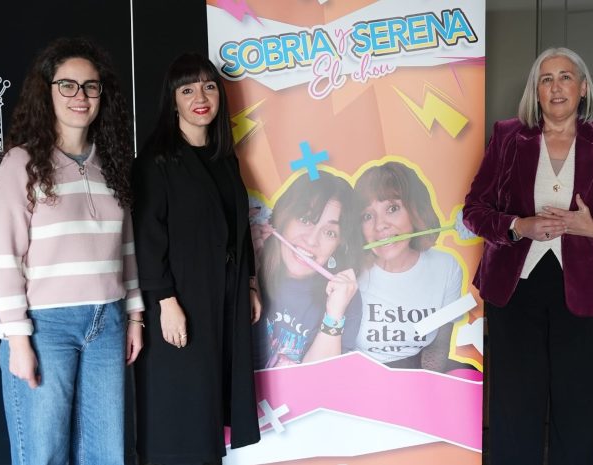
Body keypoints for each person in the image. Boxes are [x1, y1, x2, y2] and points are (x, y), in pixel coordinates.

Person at [463, 47, 593, 465]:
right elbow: (474, 210)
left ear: (583, 88)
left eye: (565, 77)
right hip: (514, 290)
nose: (556, 87)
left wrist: (591, 228)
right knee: (514, 405)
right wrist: (519, 226)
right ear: (536, 91)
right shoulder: (508, 136)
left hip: (585, 292)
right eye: (546, 79)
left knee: (576, 407)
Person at [0, 37, 143, 465]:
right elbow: (2, 258)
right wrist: (17, 339)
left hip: (108, 323)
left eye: (91, 86)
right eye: (67, 85)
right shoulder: (21, 163)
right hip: (45, 327)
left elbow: (126, 249)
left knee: (107, 455)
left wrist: (135, 316)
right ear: (47, 91)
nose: (80, 96)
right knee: (44, 455)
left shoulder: (112, 164)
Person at [132, 53, 261, 465]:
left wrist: (250, 283)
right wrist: (165, 301)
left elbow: (239, 226)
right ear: (173, 101)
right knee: (180, 408)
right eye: (187, 90)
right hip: (180, 301)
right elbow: (146, 237)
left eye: (208, 87)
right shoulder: (156, 161)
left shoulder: (225, 158)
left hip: (224, 297)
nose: (200, 98)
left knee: (209, 404)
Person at [353, 161, 464, 370]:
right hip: (360, 376)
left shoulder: (447, 267)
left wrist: (422, 385)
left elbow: (439, 346)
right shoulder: (351, 271)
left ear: (415, 211)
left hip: (416, 375)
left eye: (392, 208)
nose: (380, 225)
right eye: (367, 216)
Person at [252, 171, 362, 369]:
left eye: (329, 232)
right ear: (283, 218)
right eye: (305, 219)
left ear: (339, 245)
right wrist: (251, 271)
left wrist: (334, 315)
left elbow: (319, 380)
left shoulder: (345, 296)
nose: (312, 240)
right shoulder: (251, 268)